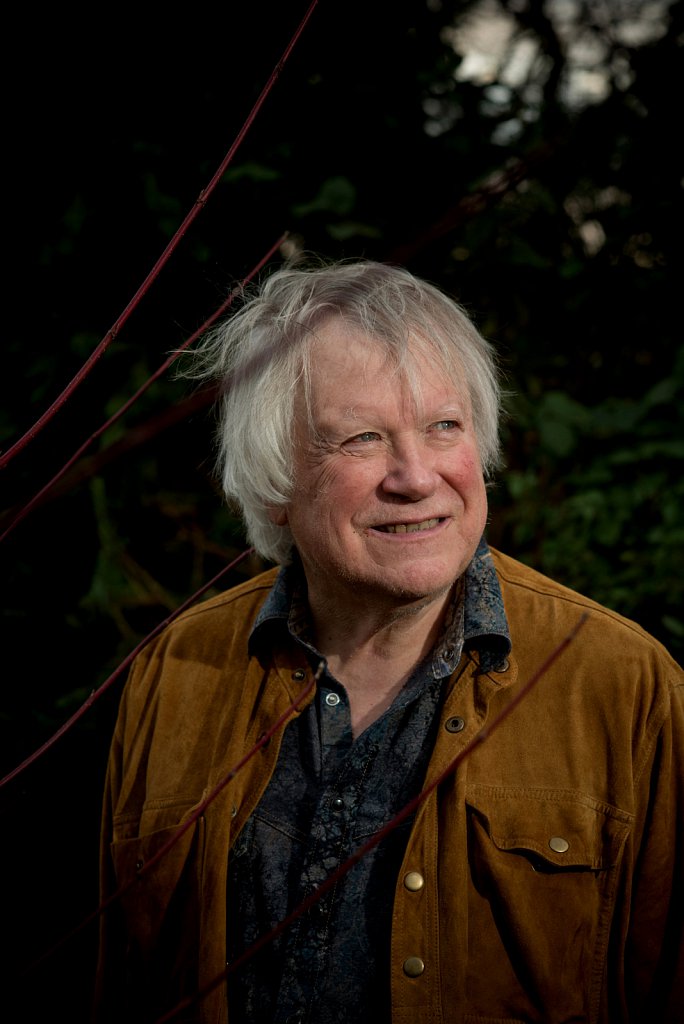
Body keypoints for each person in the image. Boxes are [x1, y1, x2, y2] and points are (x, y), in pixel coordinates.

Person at [95, 258, 683, 1024]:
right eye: (362, 438)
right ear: (275, 485)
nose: (415, 476)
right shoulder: (173, 673)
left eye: (444, 427)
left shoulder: (624, 684)